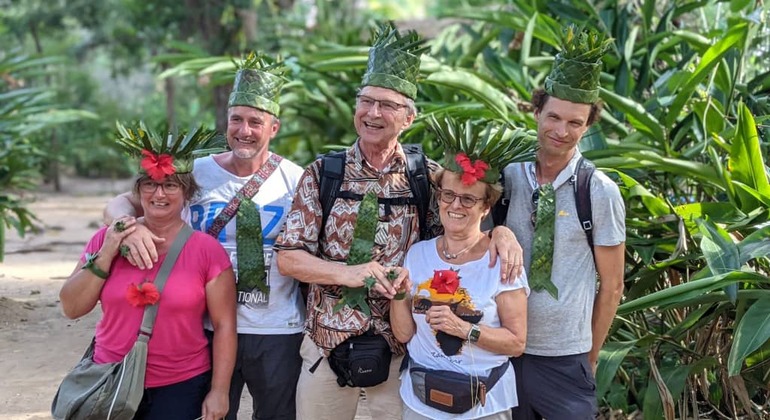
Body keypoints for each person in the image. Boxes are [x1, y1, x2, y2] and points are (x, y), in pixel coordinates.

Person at [274, 24, 522, 420]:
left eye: (387, 105)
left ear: (409, 117)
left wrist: (502, 232)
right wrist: (350, 273)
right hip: (327, 345)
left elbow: (463, 225)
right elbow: (288, 258)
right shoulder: (324, 173)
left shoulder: (427, 177)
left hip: (402, 352)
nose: (373, 113)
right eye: (366, 101)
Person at [104, 54, 306, 420]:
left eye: (255, 122)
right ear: (226, 122)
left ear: (273, 128)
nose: (244, 130)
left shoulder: (297, 179)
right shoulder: (196, 172)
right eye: (237, 120)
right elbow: (125, 201)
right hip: (205, 328)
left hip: (277, 328)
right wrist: (126, 228)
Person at [60, 124, 237, 420]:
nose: (159, 194)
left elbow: (224, 326)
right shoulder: (107, 239)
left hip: (180, 385)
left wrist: (219, 391)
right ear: (138, 191)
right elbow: (72, 306)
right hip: (109, 376)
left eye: (170, 185)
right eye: (150, 185)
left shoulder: (206, 251)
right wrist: (109, 249)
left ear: (186, 193)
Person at [503, 27, 626, 420]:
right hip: (505, 348)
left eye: (575, 123)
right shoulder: (507, 177)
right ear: (536, 110)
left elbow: (613, 285)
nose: (561, 130)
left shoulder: (600, 191)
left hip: (566, 358)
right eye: (553, 116)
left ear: (588, 125)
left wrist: (589, 356)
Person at [390, 116, 531, 420]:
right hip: (420, 399)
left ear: (486, 206)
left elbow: (517, 343)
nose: (455, 206)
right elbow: (404, 334)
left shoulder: (502, 261)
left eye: (468, 199)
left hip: (482, 404)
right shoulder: (417, 254)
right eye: (448, 195)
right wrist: (399, 294)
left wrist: (465, 330)